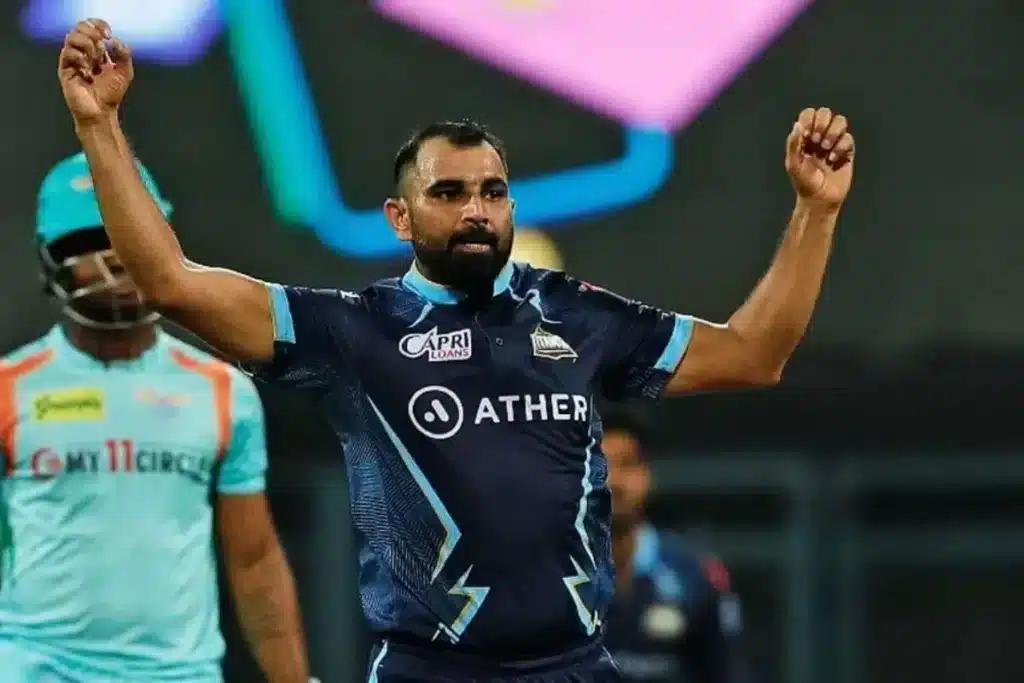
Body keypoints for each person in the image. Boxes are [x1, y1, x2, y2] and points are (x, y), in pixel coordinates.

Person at [56, 19, 855, 683]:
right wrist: (100, 125)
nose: (475, 209)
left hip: (575, 667)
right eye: (448, 192)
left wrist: (815, 212)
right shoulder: (354, 332)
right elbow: (170, 282)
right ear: (399, 217)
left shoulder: (575, 314)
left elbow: (753, 353)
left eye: (491, 192)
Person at [0, 153, 310, 682]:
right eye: (86, 243)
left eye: (126, 232)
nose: (115, 257)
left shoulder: (222, 391)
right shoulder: (9, 387)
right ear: (49, 260)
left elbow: (254, 560)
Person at [602, 403, 746, 683]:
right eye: (601, 466)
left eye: (627, 464)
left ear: (648, 475)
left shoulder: (697, 575)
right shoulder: (551, 574)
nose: (613, 480)